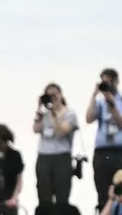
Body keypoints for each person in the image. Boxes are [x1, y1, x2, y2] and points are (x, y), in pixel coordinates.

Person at [35, 83, 82, 215]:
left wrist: (54, 113)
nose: (51, 98)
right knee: (44, 198)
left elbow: (61, 131)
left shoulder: (69, 113)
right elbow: (36, 129)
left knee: (62, 198)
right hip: (44, 156)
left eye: (54, 95)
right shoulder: (44, 114)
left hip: (61, 156)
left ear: (60, 95)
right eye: (48, 96)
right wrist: (39, 107)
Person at [90, 69, 122, 213]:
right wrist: (94, 95)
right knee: (103, 192)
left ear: (115, 81)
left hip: (119, 152)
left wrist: (112, 104)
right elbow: (88, 118)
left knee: (121, 188)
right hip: (101, 152)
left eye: (108, 81)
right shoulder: (100, 103)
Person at [0, 125, 26, 215]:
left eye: (4, 141)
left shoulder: (15, 155)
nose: (2, 144)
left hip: (10, 196)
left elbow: (19, 179)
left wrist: (14, 198)